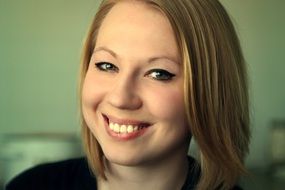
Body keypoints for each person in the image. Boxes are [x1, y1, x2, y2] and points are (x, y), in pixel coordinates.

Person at [6, 0, 250, 189]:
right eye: (107, 65)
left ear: (209, 91)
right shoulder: (30, 186)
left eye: (158, 73)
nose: (120, 98)